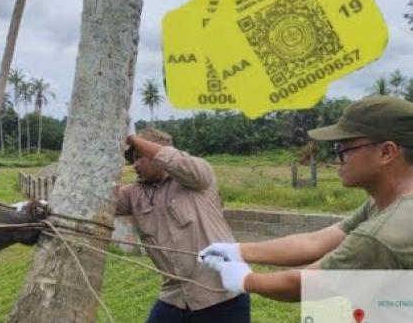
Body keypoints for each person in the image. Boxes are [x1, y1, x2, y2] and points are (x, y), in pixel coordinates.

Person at [198, 96, 413, 301]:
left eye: (343, 148)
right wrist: (237, 250)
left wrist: (245, 280)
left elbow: (306, 284)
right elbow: (316, 242)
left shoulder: (383, 233)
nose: (336, 158)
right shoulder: (383, 204)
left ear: (386, 152)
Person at [116, 128, 250, 322]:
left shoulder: (197, 176)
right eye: (132, 160)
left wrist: (133, 139)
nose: (134, 165)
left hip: (221, 293)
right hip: (175, 296)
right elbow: (98, 202)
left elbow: (176, 161)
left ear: (156, 152)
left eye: (139, 157)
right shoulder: (133, 194)